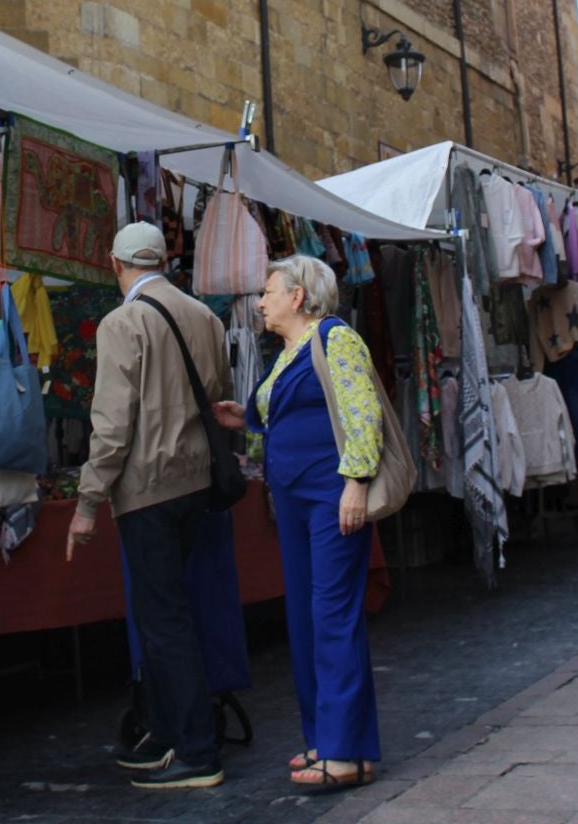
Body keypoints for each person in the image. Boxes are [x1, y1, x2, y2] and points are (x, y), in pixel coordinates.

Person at [213, 255, 382, 792]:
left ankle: (347, 751)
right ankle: (324, 738)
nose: (260, 302)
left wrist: (356, 481)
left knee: (332, 614)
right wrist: (246, 417)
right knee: (306, 618)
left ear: (298, 296)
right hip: (292, 497)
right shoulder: (287, 352)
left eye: (268, 291)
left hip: (332, 495)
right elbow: (291, 409)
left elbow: (363, 410)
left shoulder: (336, 338)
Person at [66, 221, 225, 791]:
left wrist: (87, 501)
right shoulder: (206, 316)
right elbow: (219, 399)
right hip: (197, 483)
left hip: (149, 490)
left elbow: (110, 426)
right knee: (170, 612)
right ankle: (162, 731)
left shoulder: (122, 322)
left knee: (162, 620)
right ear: (164, 259)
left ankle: (198, 750)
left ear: (116, 265)